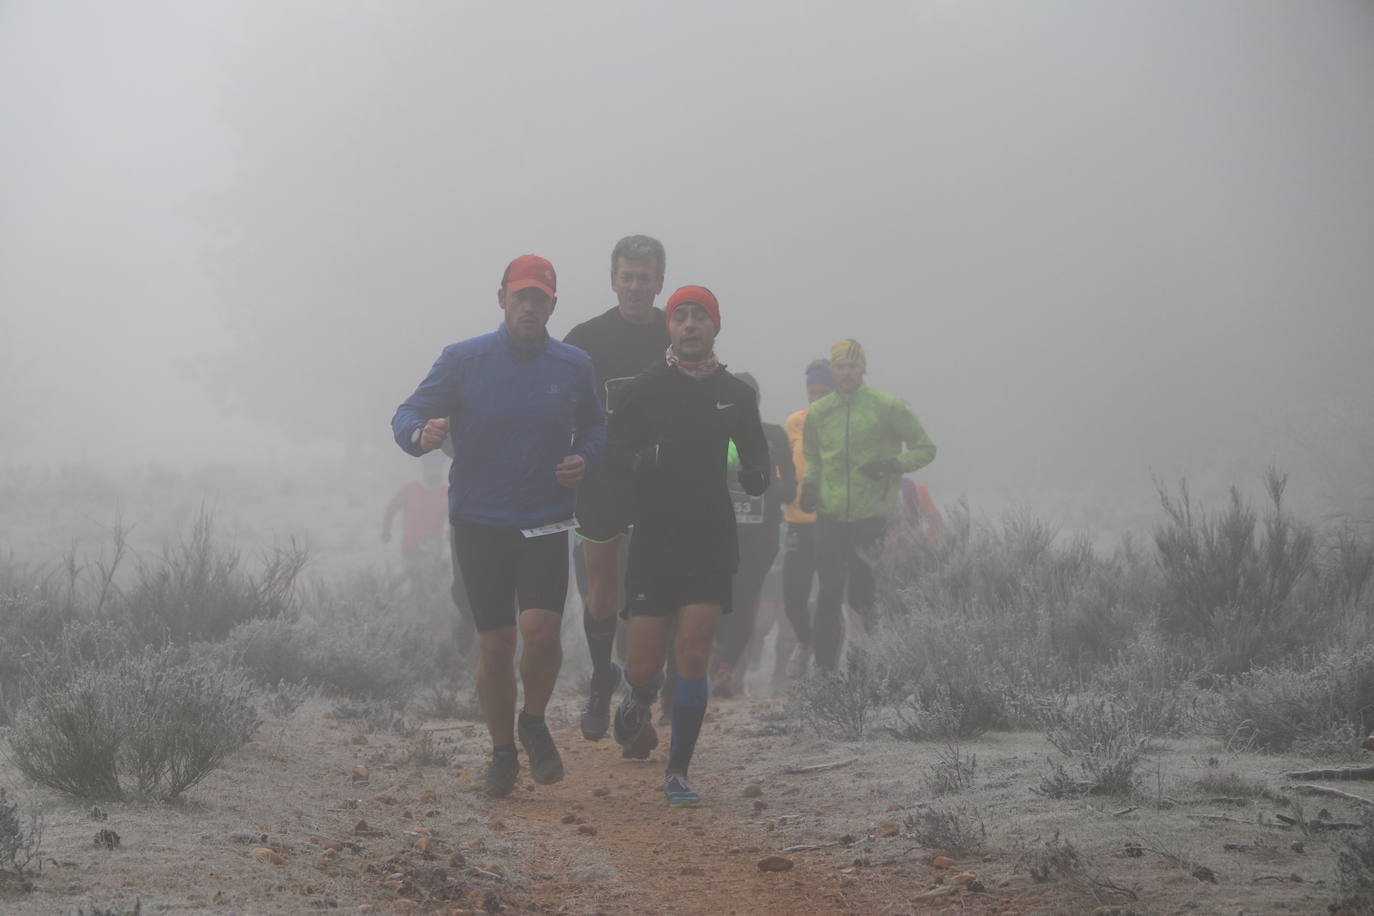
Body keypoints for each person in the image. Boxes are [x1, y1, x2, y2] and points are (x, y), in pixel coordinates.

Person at [391, 254, 605, 797]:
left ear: (553, 304)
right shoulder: (464, 359)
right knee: (495, 645)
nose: (529, 307)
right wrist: (422, 433)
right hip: (480, 519)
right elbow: (407, 413)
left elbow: (598, 426)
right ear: (502, 298)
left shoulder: (573, 365)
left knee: (541, 632)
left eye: (540, 298)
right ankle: (503, 751)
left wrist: (586, 458)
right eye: (521, 296)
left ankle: (532, 719)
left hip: (546, 517)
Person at [606, 285, 769, 807]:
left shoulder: (736, 394)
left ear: (715, 327)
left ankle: (678, 770)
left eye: (701, 317)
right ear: (669, 328)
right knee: (643, 661)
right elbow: (614, 455)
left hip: (710, 535)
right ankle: (638, 694)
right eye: (681, 317)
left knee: (694, 651)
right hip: (654, 535)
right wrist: (645, 458)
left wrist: (758, 474)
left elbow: (758, 459)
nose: (691, 325)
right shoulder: (644, 387)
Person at [562, 235, 670, 743]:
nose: (634, 286)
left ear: (658, 282)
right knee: (603, 588)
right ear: (612, 279)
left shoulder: (678, 330)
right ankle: (602, 681)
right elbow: (559, 401)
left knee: (650, 591)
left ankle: (639, 699)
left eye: (643, 278)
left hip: (658, 480)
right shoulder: (585, 337)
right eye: (626, 276)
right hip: (602, 477)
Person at [800, 339, 936, 670]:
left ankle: (869, 670)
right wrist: (810, 485)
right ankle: (826, 674)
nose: (846, 373)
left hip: (871, 517)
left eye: (853, 366)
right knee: (829, 595)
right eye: (841, 367)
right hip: (830, 516)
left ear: (863, 369)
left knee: (865, 598)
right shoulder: (819, 413)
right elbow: (814, 458)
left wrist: (892, 464)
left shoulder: (887, 406)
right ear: (833, 371)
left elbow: (925, 448)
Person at [711, 371, 795, 697]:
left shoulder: (774, 435)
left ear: (757, 400)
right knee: (714, 597)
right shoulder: (715, 434)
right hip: (717, 532)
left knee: (745, 599)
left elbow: (791, 489)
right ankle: (715, 655)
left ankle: (728, 667)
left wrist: (764, 485)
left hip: (761, 537)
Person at [779, 358, 837, 680]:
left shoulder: (844, 425)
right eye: (811, 392)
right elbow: (784, 467)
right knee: (793, 597)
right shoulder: (794, 423)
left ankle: (826, 668)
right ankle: (805, 641)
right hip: (797, 522)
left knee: (830, 597)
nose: (815, 399)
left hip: (832, 522)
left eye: (822, 392)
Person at [381, 451, 457, 645]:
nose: (434, 471)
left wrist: (453, 543)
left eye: (438, 468)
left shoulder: (447, 492)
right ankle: (415, 624)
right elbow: (391, 509)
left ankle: (426, 624)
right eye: (430, 467)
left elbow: (457, 520)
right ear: (423, 469)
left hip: (434, 550)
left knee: (429, 586)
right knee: (419, 582)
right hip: (411, 547)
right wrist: (386, 531)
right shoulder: (410, 489)